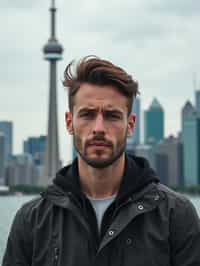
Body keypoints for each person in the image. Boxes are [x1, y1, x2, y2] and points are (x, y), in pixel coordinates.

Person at [3, 56, 200, 266]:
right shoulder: (31, 221)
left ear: (130, 125)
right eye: (87, 114)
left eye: (112, 116)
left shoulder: (176, 216)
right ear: (70, 123)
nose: (98, 128)